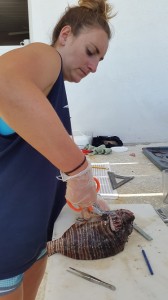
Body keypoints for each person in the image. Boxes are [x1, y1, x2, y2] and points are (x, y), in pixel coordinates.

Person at [0, 0, 115, 299]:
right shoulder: (45, 55)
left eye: (100, 60)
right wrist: (79, 172)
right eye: (91, 52)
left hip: (33, 234)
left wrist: (81, 192)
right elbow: (4, 83)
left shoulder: (52, 86)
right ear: (65, 35)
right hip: (6, 239)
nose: (94, 67)